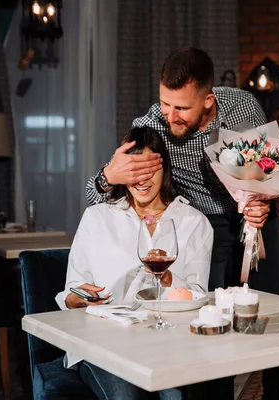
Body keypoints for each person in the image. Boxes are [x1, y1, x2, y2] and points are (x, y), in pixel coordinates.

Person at [85, 47, 279, 400]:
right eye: (165, 103)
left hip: (257, 221)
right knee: (208, 319)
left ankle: (271, 392)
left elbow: (269, 171)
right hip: (205, 226)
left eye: (181, 108)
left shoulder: (243, 107)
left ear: (208, 100)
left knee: (268, 315)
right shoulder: (151, 125)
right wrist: (107, 175)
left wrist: (263, 204)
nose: (170, 115)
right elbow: (97, 197)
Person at [34, 126, 213, 400]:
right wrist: (81, 298)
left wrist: (168, 280)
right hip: (103, 344)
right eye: (133, 170)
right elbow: (70, 295)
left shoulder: (193, 223)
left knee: (175, 397)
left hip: (168, 344)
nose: (141, 179)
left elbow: (199, 294)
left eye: (149, 169)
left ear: (165, 168)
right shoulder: (97, 217)